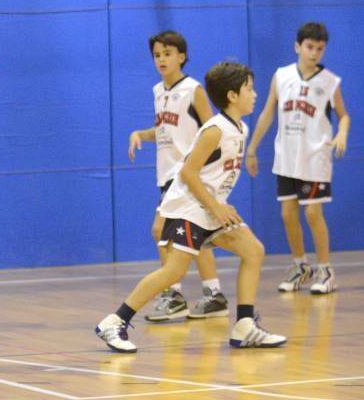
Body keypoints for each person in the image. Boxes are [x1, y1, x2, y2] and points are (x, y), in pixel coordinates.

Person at [95, 61, 287, 352]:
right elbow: (187, 172)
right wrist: (215, 206)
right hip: (189, 208)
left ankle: (244, 326)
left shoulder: (241, 128)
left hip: (210, 208)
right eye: (249, 88)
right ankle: (114, 321)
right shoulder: (214, 130)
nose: (255, 94)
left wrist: (217, 205)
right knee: (173, 272)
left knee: (254, 250)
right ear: (233, 95)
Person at [127, 30, 228, 321]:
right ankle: (213, 294)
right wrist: (140, 134)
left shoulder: (193, 89)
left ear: (181, 57)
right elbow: (163, 131)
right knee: (194, 237)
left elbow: (213, 130)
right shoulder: (158, 91)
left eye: (167, 53)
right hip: (167, 173)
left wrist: (207, 167)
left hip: (185, 173)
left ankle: (173, 295)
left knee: (160, 231)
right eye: (157, 55)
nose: (161, 59)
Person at [246, 22, 350, 294]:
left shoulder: (330, 81)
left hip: (315, 157)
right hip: (286, 157)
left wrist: (342, 133)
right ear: (297, 46)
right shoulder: (281, 76)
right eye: (309, 47)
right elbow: (268, 112)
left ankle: (326, 271)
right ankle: (301, 266)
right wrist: (252, 148)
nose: (314, 53)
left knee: (313, 213)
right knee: (287, 215)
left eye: (320, 48)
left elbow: (344, 115)